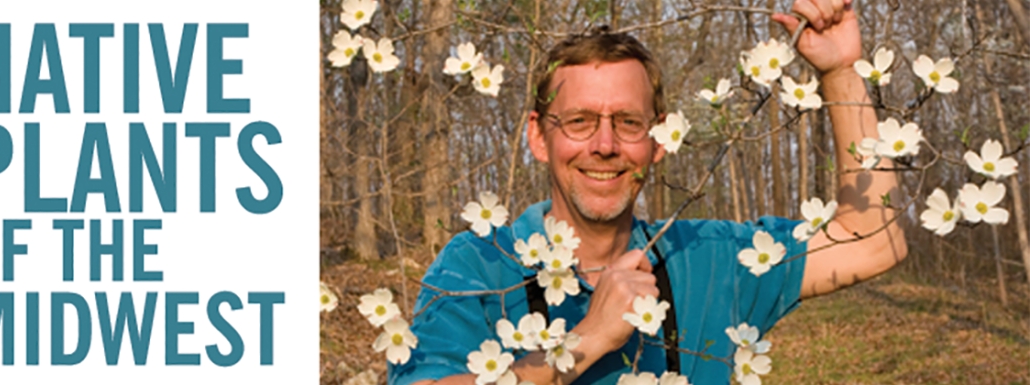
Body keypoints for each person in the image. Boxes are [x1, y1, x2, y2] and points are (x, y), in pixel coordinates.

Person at [389, 0, 907, 383]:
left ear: (659, 139)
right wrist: (585, 340)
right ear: (537, 136)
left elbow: (873, 242)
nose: (606, 144)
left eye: (629, 123)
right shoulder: (478, 267)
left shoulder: (707, 258)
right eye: (579, 121)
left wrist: (840, 72)